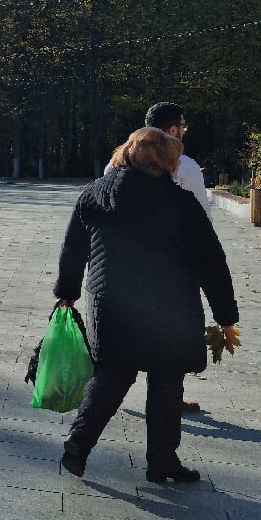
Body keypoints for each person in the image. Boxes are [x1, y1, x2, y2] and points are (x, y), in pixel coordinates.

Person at [55, 127, 239, 485]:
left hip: (111, 302)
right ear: (168, 161)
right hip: (168, 306)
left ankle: (78, 442)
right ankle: (162, 462)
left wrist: (67, 291)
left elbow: (72, 249)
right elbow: (211, 262)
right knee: (167, 383)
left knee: (111, 374)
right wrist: (226, 315)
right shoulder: (181, 203)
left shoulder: (94, 195)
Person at [104, 101, 210, 412]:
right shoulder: (186, 167)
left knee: (123, 333)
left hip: (122, 264)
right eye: (183, 126)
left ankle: (105, 396)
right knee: (168, 337)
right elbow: (201, 222)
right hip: (170, 268)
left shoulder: (115, 164)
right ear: (174, 129)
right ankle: (168, 401)